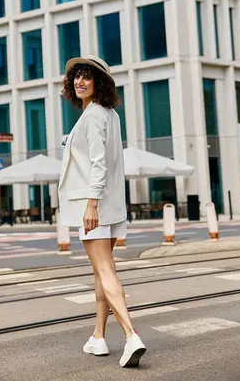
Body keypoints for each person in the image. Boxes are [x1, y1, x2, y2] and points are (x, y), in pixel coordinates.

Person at [58, 56, 146, 368]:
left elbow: (98, 162)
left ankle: (130, 334)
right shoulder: (109, 114)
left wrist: (91, 204)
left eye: (87, 77)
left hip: (92, 206)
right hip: (109, 204)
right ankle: (98, 337)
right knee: (100, 271)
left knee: (106, 271)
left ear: (99, 83)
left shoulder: (94, 115)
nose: (79, 82)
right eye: (76, 78)